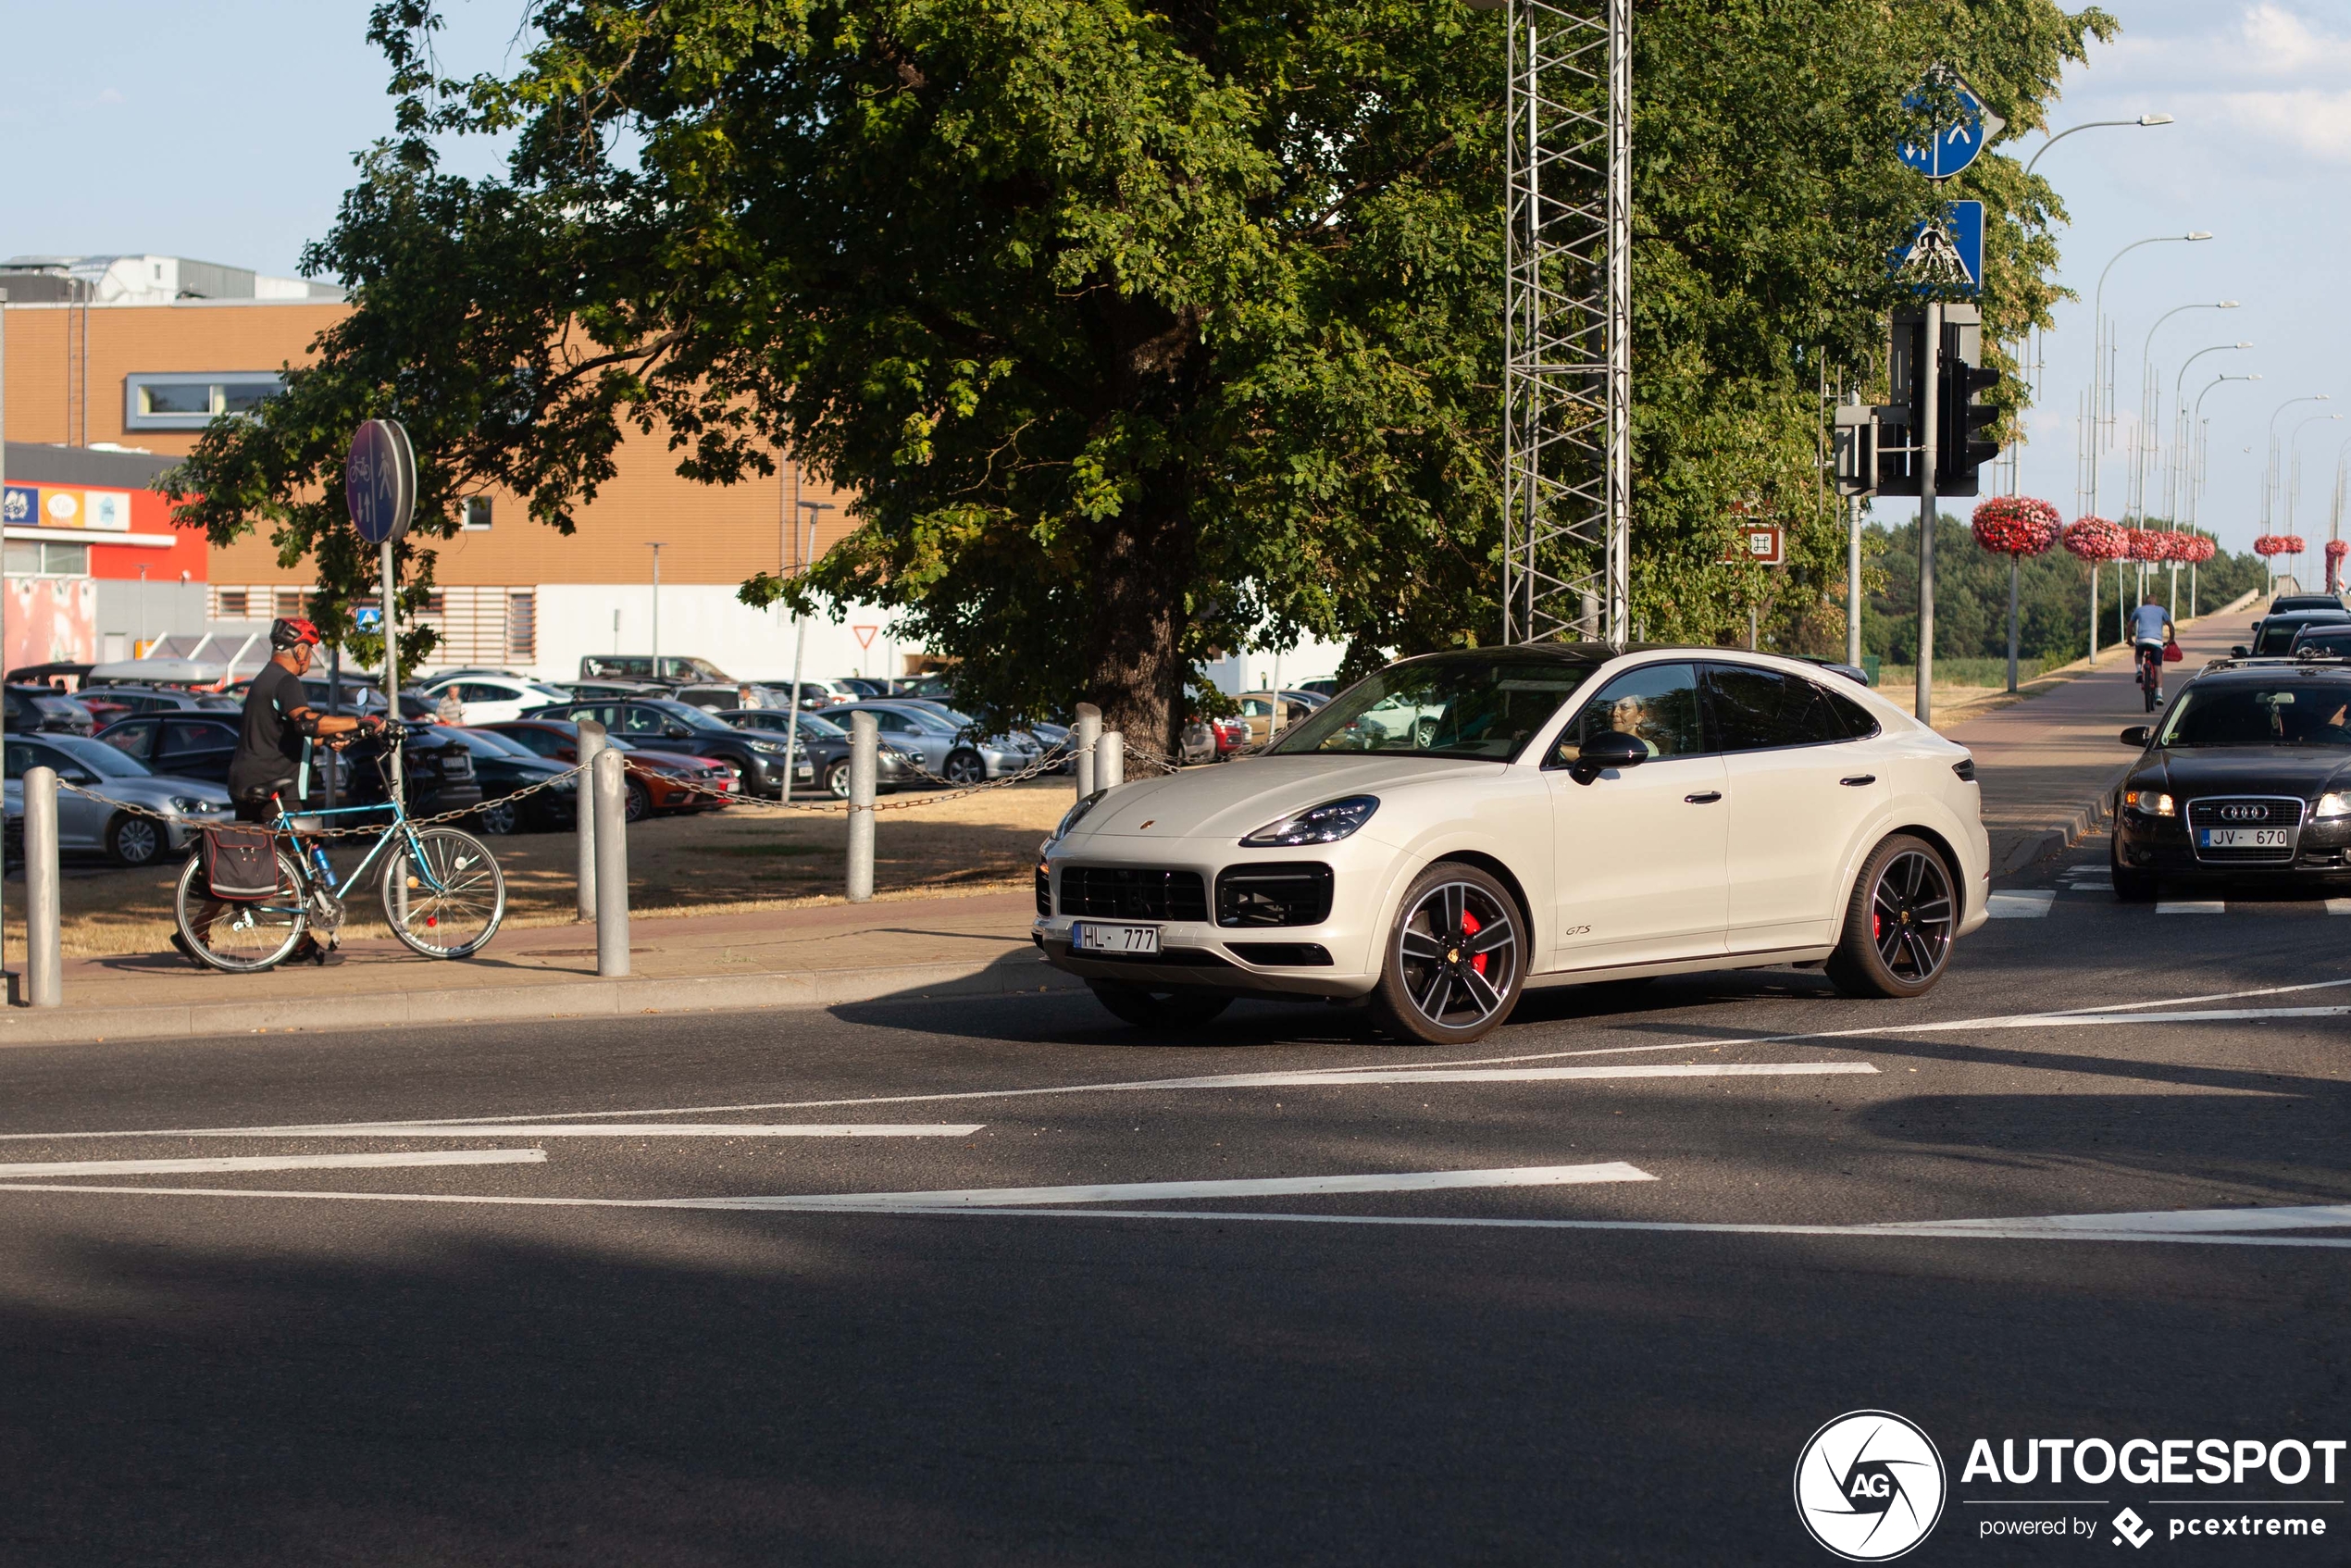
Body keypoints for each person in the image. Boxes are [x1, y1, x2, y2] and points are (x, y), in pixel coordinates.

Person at [185, 618, 385, 967]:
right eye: (311, 651)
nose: (311, 658)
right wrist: (361, 722)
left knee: (241, 861)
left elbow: (290, 734)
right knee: (301, 856)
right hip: (278, 786)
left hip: (249, 782)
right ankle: (299, 941)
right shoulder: (287, 681)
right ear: (301, 650)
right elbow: (307, 722)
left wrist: (329, 739)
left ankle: (198, 931)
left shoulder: (265, 679)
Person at [2131, 592, 2174, 700]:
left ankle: (2139, 671)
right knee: (2158, 667)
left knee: (2139, 654)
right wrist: (2171, 639)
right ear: (2155, 602)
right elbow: (2171, 626)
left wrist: (2128, 640)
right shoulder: (2161, 610)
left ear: (2146, 602)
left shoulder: (2139, 610)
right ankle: (2159, 694)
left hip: (2142, 640)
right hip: (2156, 642)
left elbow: (2129, 625)